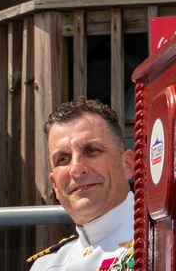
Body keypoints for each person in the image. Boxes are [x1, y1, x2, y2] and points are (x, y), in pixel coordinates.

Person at [28, 98, 134, 271]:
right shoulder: (46, 266)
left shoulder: (170, 240)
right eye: (63, 158)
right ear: (55, 185)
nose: (76, 169)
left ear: (128, 165)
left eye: (91, 151)